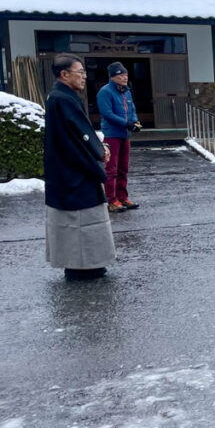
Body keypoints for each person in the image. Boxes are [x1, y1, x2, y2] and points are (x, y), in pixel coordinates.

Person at [43, 54, 116, 280]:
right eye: (80, 72)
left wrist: (96, 149)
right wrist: (99, 152)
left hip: (66, 172)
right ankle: (84, 266)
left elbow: (78, 134)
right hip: (73, 173)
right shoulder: (62, 99)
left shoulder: (62, 97)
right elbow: (78, 137)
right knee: (81, 221)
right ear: (64, 75)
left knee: (75, 223)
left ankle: (81, 265)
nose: (84, 76)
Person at [96, 61, 142, 212]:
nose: (124, 77)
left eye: (125, 74)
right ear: (112, 77)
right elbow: (107, 114)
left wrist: (135, 122)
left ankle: (122, 197)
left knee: (123, 168)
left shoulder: (126, 91)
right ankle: (111, 200)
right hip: (112, 135)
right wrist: (126, 123)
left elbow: (132, 108)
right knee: (111, 169)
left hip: (124, 134)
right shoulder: (105, 92)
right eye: (120, 75)